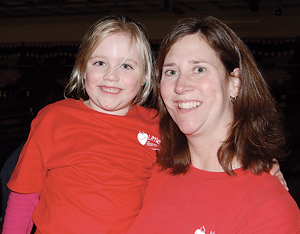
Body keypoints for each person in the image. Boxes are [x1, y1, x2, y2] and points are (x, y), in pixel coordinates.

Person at [127, 15, 300, 233]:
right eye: (171, 72)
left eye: (199, 69)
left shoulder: (268, 208)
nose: (181, 85)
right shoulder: (150, 166)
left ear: (234, 82)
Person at [2, 15, 160, 234]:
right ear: (83, 68)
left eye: (126, 65)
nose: (111, 76)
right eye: (100, 63)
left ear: (145, 76)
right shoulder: (54, 119)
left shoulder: (158, 127)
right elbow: (24, 195)